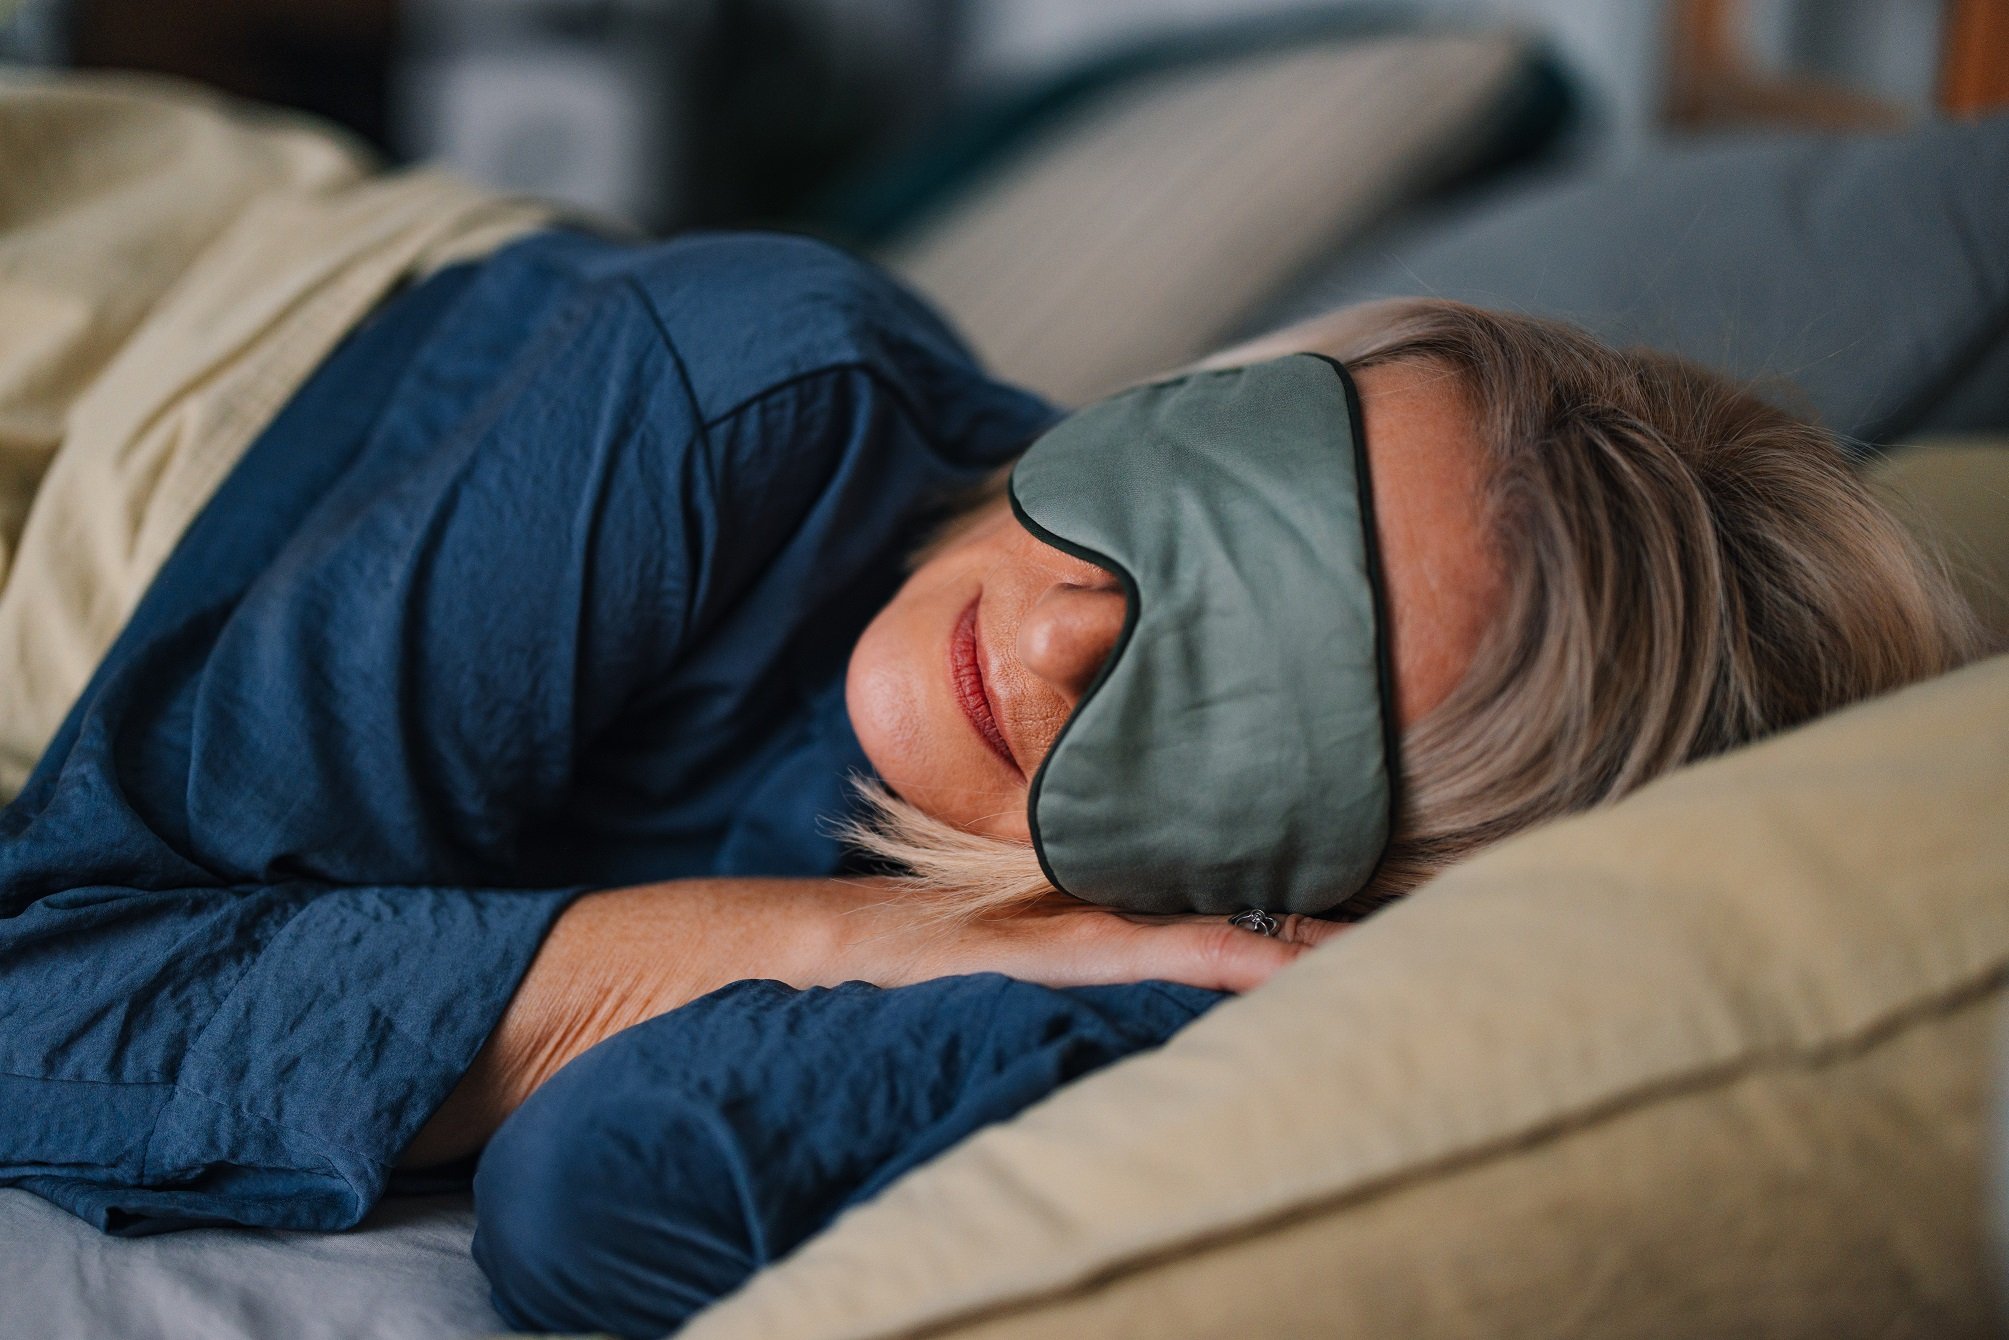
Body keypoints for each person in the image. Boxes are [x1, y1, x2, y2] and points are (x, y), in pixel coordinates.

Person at [0, 186, 1984, 1340]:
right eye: (1203, 496)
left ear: (1305, 897)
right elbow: (42, 991)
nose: (1051, 635)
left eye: (1247, 696)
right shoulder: (739, 391)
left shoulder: (1174, 944)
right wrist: (845, 938)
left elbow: (612, 1183)